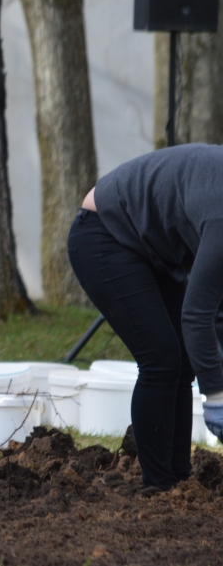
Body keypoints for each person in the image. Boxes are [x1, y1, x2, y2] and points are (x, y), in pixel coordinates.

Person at [68, 144, 223, 491]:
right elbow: (197, 316)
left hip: (153, 244)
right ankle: (157, 485)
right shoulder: (222, 220)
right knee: (162, 357)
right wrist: (217, 398)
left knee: (183, 361)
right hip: (103, 233)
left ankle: (179, 481)